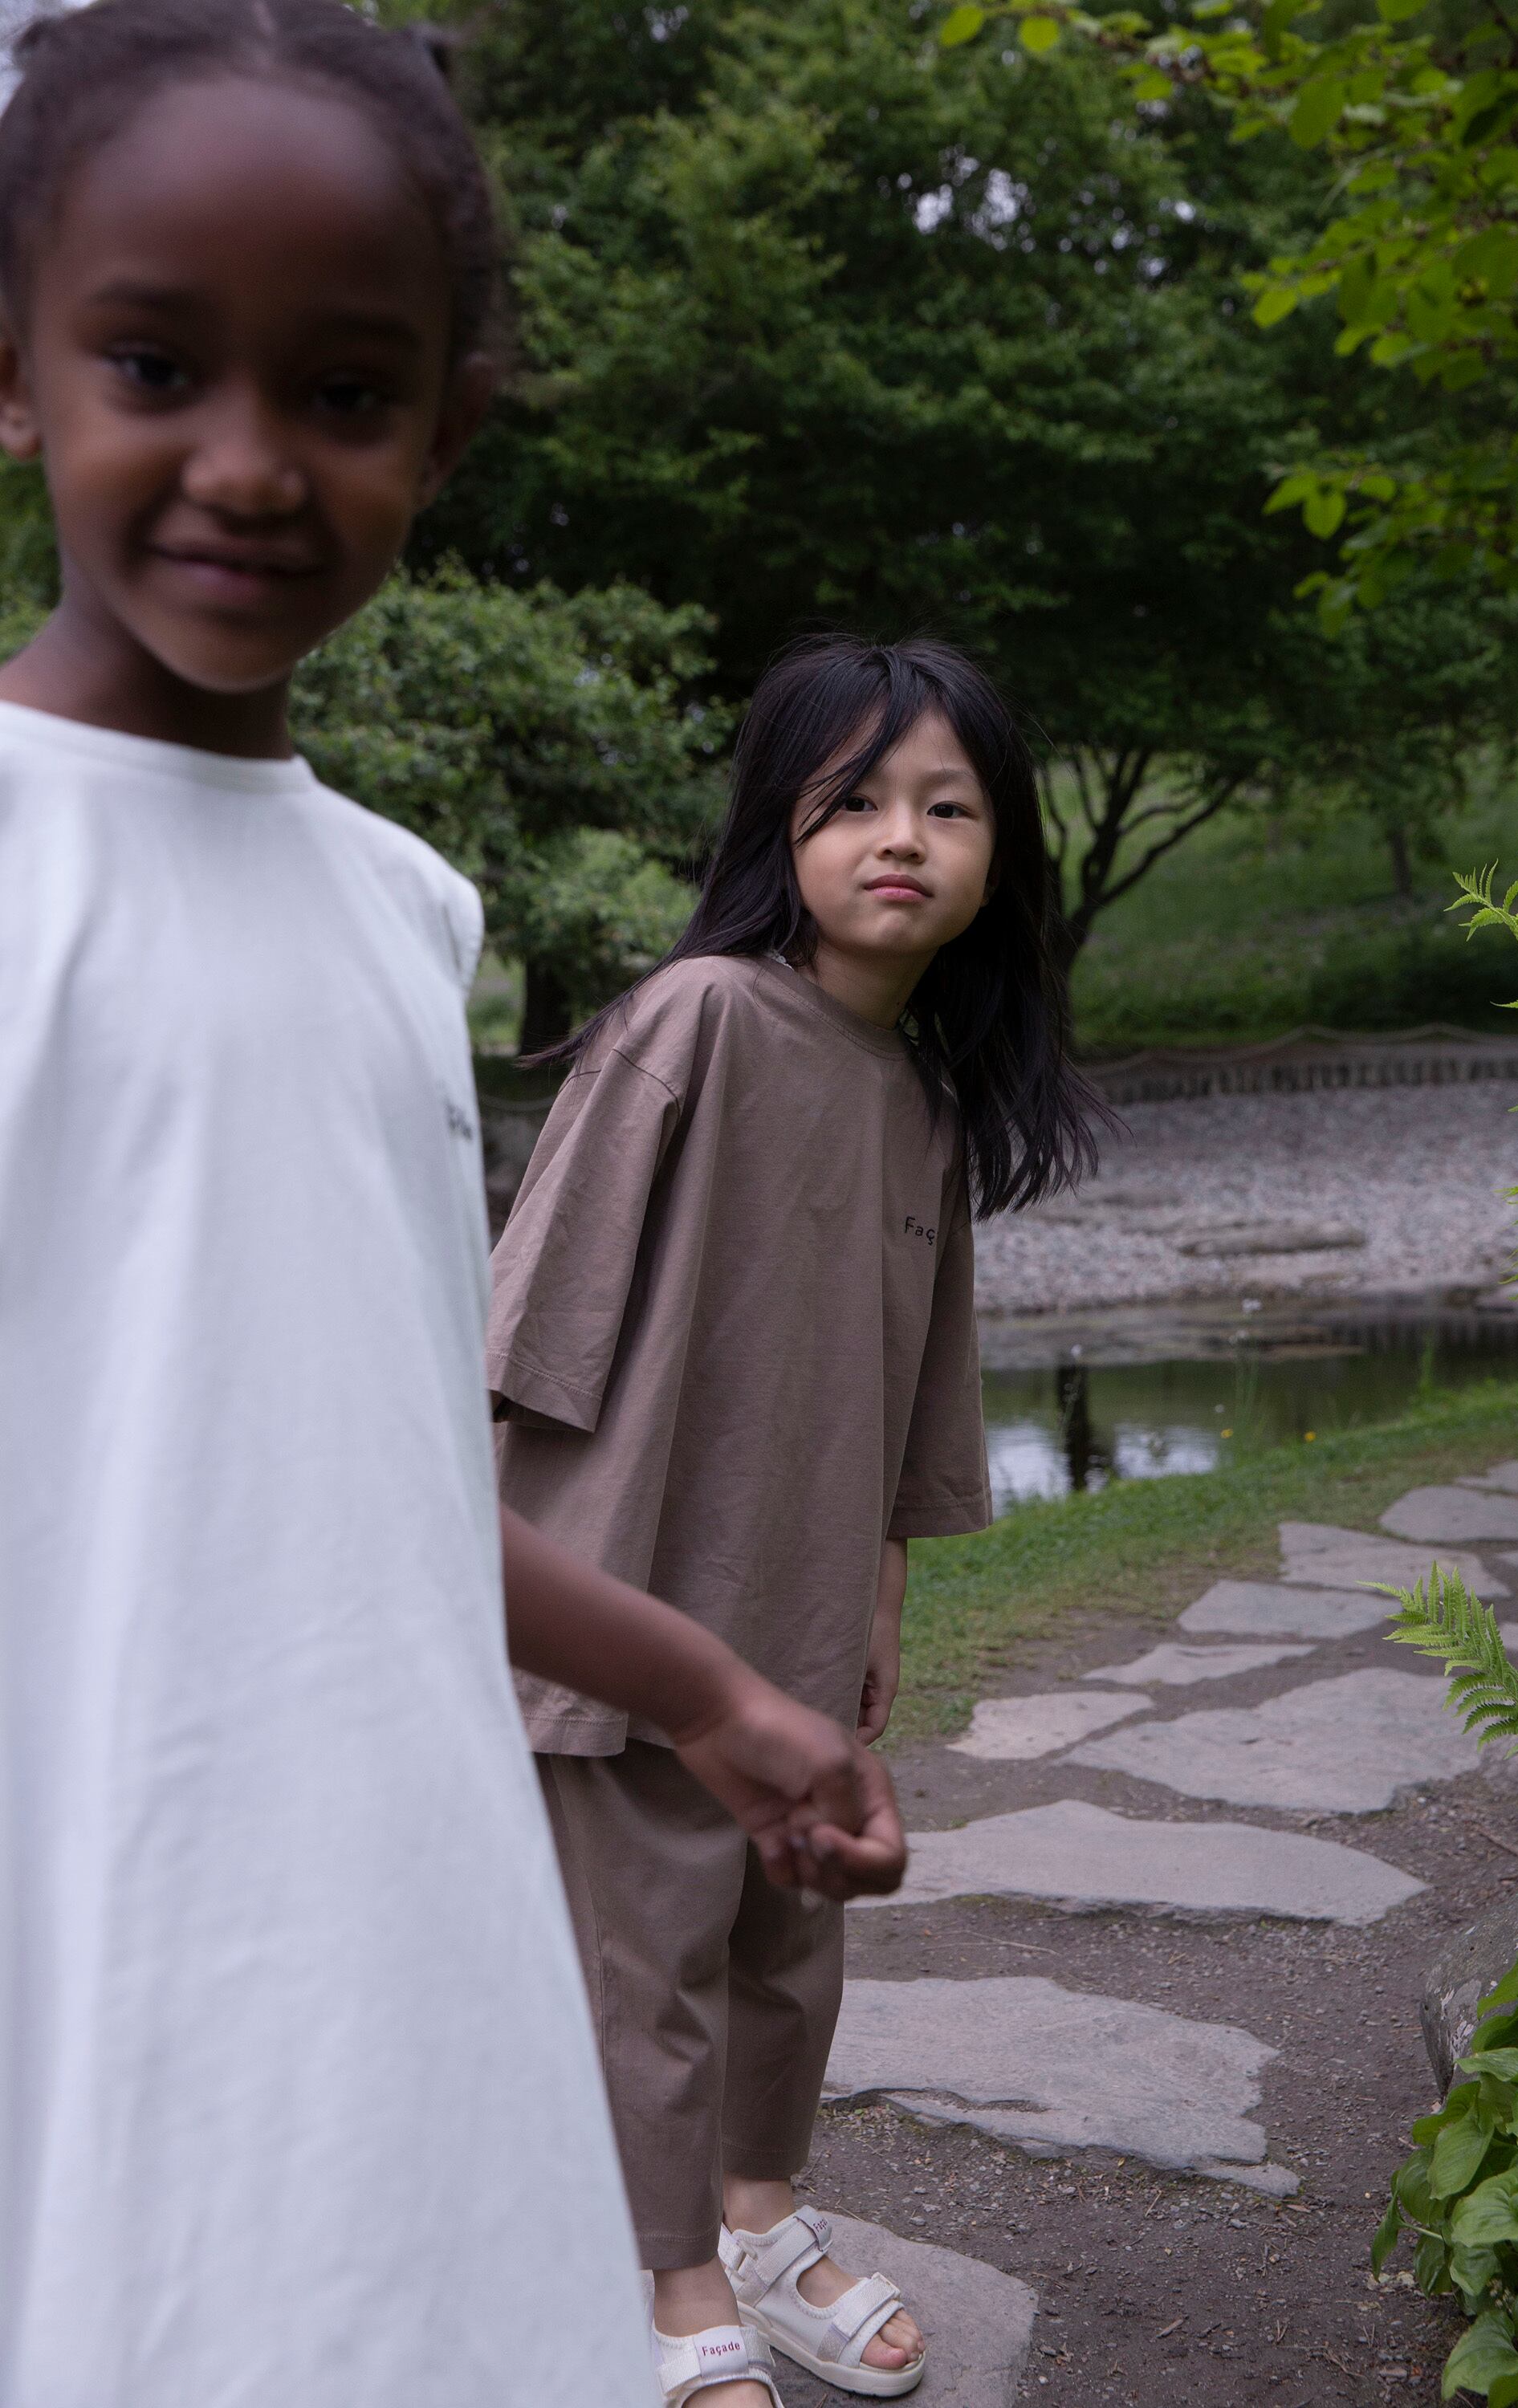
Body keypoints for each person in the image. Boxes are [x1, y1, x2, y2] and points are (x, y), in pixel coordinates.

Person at [0, 9, 906, 2406]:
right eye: (154, 363)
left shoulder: (406, 910)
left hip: (389, 1940)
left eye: (343, 391)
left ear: (449, 429)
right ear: (12, 371)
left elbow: (381, 1461)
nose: (247, 461)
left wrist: (706, 1694)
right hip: (82, 1926)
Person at [490, 633, 1109, 2405]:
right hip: (627, 1588)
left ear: (1000, 862)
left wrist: (880, 1593)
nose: (900, 838)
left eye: (947, 808)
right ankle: (664, 2275)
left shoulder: (924, 1103)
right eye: (854, 801)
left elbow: (914, 1385)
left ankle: (759, 2216)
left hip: (803, 1599)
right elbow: (521, 1340)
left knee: (789, 1939)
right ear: (783, 826)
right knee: (650, 1958)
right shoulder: (696, 1017)